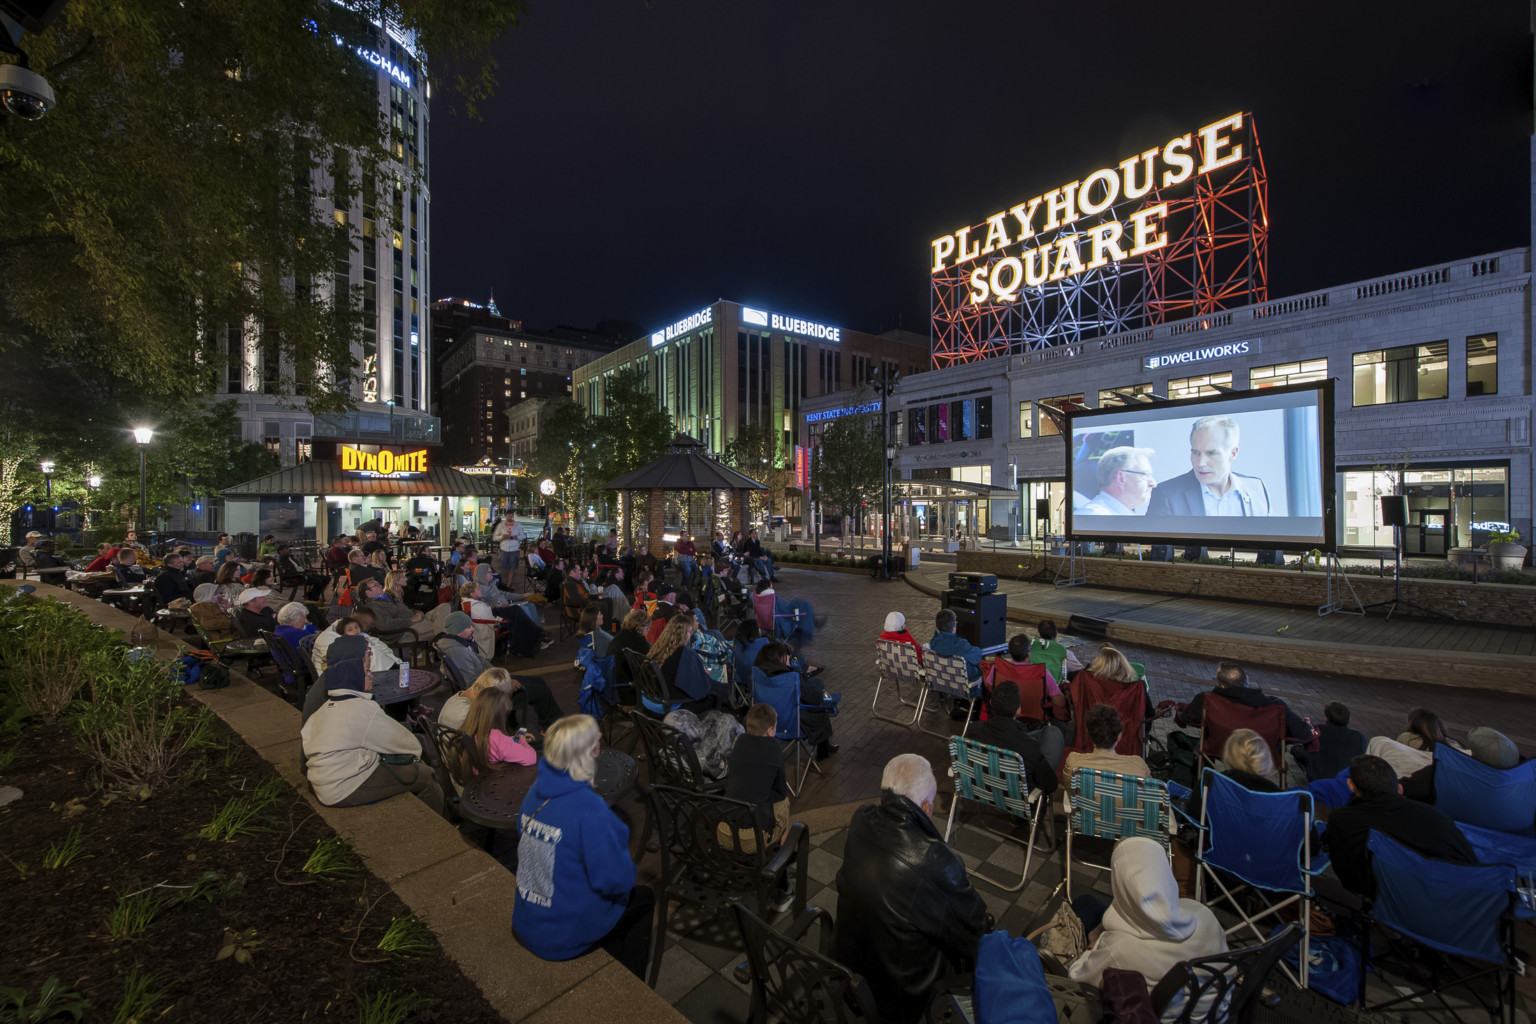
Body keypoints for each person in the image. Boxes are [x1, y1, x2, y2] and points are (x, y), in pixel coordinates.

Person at [835, 754, 990, 1024]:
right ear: (927, 806)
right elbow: (975, 931)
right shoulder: (937, 861)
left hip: (846, 973)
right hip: (902, 999)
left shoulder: (861, 820)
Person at [513, 714, 655, 980]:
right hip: (563, 937)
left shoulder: (535, 792)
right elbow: (617, 880)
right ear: (588, 754)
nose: (600, 738)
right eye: (595, 740)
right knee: (643, 899)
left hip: (529, 922)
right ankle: (631, 983)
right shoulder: (590, 811)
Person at [1065, 836, 1227, 1014]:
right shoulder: (1204, 914)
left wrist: (1092, 949)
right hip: (1216, 1013)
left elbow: (1077, 978)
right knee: (1089, 905)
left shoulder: (1119, 949)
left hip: (1156, 1017)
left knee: (1084, 905)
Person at [300, 656, 444, 814]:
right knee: (427, 777)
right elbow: (404, 742)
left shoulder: (324, 709)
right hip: (345, 787)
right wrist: (416, 761)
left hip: (324, 780)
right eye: (367, 672)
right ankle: (438, 821)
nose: (371, 675)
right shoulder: (361, 710)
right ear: (355, 679)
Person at [1321, 754, 1477, 899]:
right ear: (1396, 785)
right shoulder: (1433, 815)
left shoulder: (1343, 820)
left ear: (1351, 785)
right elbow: (1468, 860)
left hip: (1392, 902)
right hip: (1455, 900)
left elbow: (1349, 878)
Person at [1144, 416, 1271, 517]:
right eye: (1195, 452)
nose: (1200, 463)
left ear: (1233, 453)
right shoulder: (1167, 494)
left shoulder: (1257, 488)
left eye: (1211, 453)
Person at [968, 674, 1061, 799]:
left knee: (1049, 733)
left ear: (991, 703)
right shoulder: (1029, 747)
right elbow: (1051, 785)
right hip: (1017, 797)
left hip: (981, 788)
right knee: (1053, 733)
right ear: (1018, 710)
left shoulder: (974, 730)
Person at [720, 703, 790, 856]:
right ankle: (782, 859)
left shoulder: (741, 741)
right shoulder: (775, 747)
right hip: (751, 839)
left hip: (723, 829)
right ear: (771, 730)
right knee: (784, 802)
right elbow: (780, 791)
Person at [1175, 661, 1309, 741]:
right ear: (1247, 681)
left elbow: (1187, 718)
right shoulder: (1275, 706)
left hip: (1218, 749)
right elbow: (1303, 734)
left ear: (1222, 686)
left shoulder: (1207, 700)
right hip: (1261, 755)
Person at [755, 639, 837, 758]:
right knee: (820, 708)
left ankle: (825, 744)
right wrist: (799, 674)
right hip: (791, 722)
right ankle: (823, 751)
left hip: (767, 718)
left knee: (816, 683)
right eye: (786, 656)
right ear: (780, 659)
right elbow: (811, 699)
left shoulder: (758, 675)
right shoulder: (791, 677)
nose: (789, 657)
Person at [649, 613, 723, 713]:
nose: (690, 634)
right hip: (673, 704)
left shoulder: (659, 648)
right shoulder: (684, 652)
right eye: (689, 631)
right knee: (717, 693)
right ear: (683, 634)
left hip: (653, 698)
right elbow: (700, 689)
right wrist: (703, 674)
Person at [462, 687, 537, 768]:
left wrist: (513, 739)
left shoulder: (468, 728)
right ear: (499, 716)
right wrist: (522, 740)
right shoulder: (496, 738)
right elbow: (531, 757)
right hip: (493, 777)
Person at [1293, 701, 1365, 783]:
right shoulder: (1358, 736)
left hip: (1319, 777)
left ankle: (1307, 773)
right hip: (1347, 780)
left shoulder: (1319, 730)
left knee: (1296, 750)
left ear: (1326, 718)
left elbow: (1307, 747)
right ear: (1349, 719)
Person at [1080, 446, 1157, 515]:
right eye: (1145, 475)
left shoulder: (1123, 515)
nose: (1153, 484)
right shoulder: (1093, 516)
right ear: (1120, 478)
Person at [440, 666, 515, 731]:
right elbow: (489, 742)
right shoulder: (471, 714)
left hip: (447, 744)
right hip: (460, 747)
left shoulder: (456, 697)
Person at [753, 578, 825, 645]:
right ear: (768, 587)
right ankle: (813, 627)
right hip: (778, 621)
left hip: (764, 622)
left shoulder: (758, 597)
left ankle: (816, 622)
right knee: (804, 607)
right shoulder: (770, 596)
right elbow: (783, 610)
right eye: (771, 585)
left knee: (800, 605)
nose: (772, 587)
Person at [362, 573, 425, 641]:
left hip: (415, 620)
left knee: (438, 611)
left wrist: (418, 612)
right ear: (368, 592)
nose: (380, 586)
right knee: (437, 626)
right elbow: (385, 625)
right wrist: (410, 620)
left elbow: (405, 609)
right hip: (404, 631)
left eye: (379, 584)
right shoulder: (373, 605)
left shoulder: (388, 596)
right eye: (376, 585)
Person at [929, 607, 984, 682]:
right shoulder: (961, 644)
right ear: (953, 628)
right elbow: (977, 656)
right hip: (965, 682)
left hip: (943, 680)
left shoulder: (933, 642)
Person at [609, 607, 651, 697]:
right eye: (648, 627)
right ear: (642, 626)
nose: (648, 630)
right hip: (627, 691)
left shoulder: (622, 634)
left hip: (614, 685)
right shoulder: (639, 642)